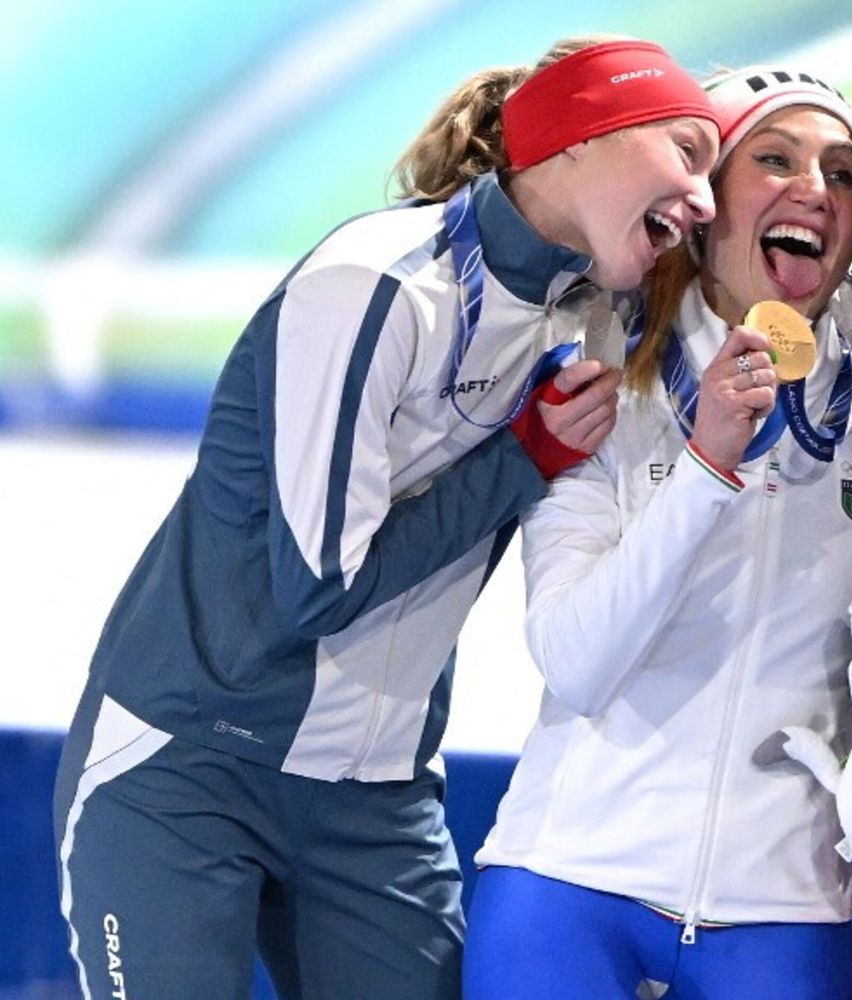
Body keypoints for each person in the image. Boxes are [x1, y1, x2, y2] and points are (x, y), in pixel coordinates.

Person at [52, 37, 720, 1000]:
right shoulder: (373, 282)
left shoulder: (594, 311)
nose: (700, 198)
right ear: (582, 134)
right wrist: (523, 459)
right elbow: (319, 587)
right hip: (186, 766)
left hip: (376, 785)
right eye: (686, 153)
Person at [464, 66, 852, 1000]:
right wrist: (706, 470)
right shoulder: (599, 373)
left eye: (841, 174)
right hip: (570, 881)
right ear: (704, 204)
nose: (813, 191)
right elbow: (576, 662)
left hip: (783, 908)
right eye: (774, 160)